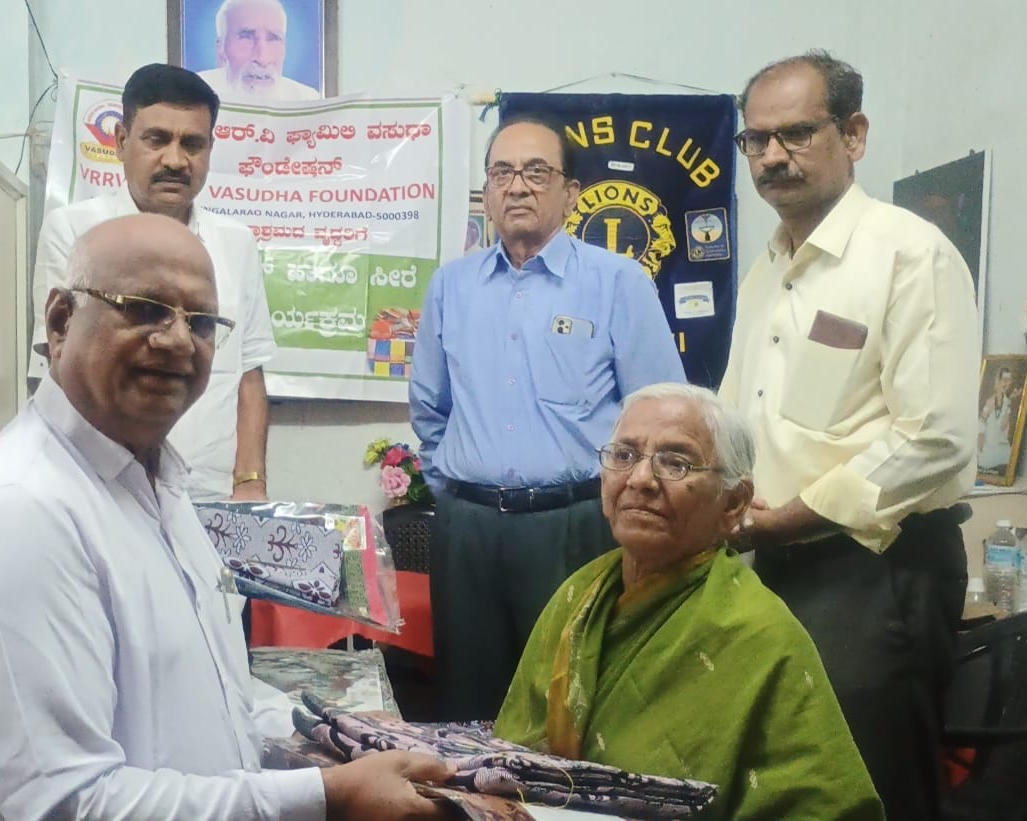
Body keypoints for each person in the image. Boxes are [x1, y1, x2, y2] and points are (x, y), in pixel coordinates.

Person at [0, 212, 451, 820]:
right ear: (61, 321)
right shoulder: (17, 514)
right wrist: (329, 796)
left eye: (200, 322)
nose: (175, 341)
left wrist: (338, 732)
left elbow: (215, 696)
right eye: (143, 308)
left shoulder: (158, 483)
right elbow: (69, 805)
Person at [718, 51, 979, 820]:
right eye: (756, 140)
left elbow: (934, 439)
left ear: (854, 134)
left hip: (875, 572)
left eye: (796, 133)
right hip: (771, 561)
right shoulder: (769, 267)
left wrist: (780, 521)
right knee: (790, 780)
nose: (772, 156)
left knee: (868, 787)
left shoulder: (909, 254)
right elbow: (743, 416)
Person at [495, 384, 884, 821]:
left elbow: (826, 806)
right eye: (624, 456)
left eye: (675, 462)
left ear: (734, 503)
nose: (640, 479)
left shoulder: (759, 634)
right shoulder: (577, 597)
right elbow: (513, 752)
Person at [410, 113, 686, 721]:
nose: (517, 186)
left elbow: (663, 415)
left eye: (537, 172)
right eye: (502, 172)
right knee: (467, 710)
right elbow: (430, 410)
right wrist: (459, 493)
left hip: (575, 529)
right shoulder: (450, 287)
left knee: (570, 708)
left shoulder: (618, 282)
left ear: (571, 193)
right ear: (486, 189)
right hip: (468, 535)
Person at [32, 63, 273, 502]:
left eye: (193, 144)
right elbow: (58, 365)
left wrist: (250, 482)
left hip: (209, 494)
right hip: (102, 489)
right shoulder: (73, 232)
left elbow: (249, 374)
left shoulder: (236, 244)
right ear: (122, 142)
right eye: (157, 139)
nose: (176, 161)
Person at [197, 0, 320, 102]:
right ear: (221, 47)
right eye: (246, 37)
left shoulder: (306, 99)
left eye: (274, 38)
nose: (262, 59)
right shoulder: (194, 93)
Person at [977, 365, 1018, 470]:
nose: (1006, 383)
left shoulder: (1007, 402)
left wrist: (1009, 403)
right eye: (1004, 380)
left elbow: (1004, 426)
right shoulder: (990, 402)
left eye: (1009, 380)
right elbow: (981, 423)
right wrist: (980, 443)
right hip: (988, 449)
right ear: (998, 381)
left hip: (1002, 448)